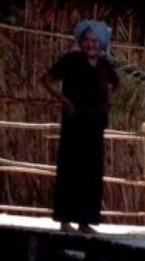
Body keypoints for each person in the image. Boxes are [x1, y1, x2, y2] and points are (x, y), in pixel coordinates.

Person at [42, 20, 119, 234]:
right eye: (86, 40)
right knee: (70, 170)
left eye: (95, 41)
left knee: (91, 172)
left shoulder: (105, 65)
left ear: (101, 43)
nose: (90, 44)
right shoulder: (70, 60)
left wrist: (108, 102)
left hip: (95, 125)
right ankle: (65, 221)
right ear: (80, 42)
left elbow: (118, 85)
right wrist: (65, 101)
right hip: (74, 124)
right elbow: (47, 79)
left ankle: (85, 222)